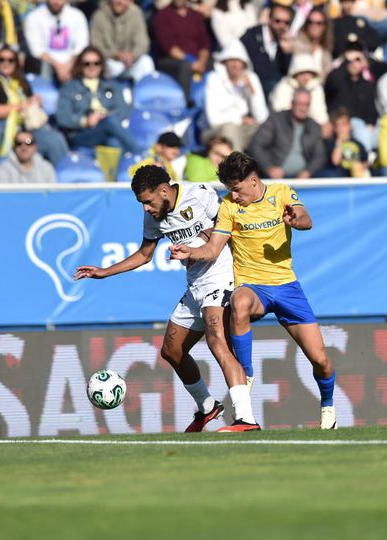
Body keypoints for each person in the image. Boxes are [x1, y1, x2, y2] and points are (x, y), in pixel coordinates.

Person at [75, 165, 260, 432]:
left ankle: (245, 418)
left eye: (148, 202)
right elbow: (144, 254)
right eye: (141, 204)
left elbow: (230, 227)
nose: (146, 209)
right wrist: (105, 272)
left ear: (164, 190)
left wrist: (206, 240)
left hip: (221, 279)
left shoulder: (200, 195)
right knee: (172, 351)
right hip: (195, 286)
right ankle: (208, 408)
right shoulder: (154, 217)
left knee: (216, 340)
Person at [170, 151, 338, 430]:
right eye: (229, 190)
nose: (234, 196)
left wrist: (297, 219)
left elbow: (306, 219)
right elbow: (213, 248)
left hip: (287, 288)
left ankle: (328, 406)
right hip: (253, 287)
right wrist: (191, 251)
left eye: (236, 189)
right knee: (239, 301)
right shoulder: (229, 206)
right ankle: (245, 375)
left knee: (321, 361)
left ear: (253, 181)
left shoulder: (282, 192)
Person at [0, 45, 69, 167]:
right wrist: (20, 107)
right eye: (2, 60)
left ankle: (62, 179)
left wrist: (35, 103)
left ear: (16, 63)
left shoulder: (22, 82)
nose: (6, 63)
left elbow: (28, 106)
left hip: (25, 127)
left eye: (11, 60)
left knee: (54, 139)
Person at [55, 46, 140, 154]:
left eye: (96, 63)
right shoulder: (69, 88)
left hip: (109, 128)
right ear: (80, 66)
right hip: (82, 134)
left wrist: (102, 116)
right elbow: (62, 117)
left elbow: (124, 110)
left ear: (102, 65)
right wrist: (85, 121)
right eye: (87, 64)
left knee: (113, 142)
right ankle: (141, 154)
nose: (92, 67)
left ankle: (118, 169)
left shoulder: (113, 86)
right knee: (109, 124)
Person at [203, 40, 269, 153]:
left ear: (244, 64)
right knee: (231, 128)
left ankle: (265, 168)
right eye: (231, 60)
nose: (235, 65)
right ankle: (236, 169)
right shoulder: (213, 79)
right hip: (216, 131)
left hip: (244, 128)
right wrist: (239, 119)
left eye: (239, 61)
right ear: (224, 62)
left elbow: (262, 118)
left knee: (267, 130)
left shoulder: (251, 78)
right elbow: (213, 119)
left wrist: (252, 92)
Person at [247, 88, 327, 179]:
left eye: (306, 104)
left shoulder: (314, 127)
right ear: (292, 104)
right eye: (300, 104)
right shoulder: (276, 120)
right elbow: (256, 145)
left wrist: (308, 171)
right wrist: (269, 168)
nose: (303, 108)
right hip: (275, 178)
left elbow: (320, 155)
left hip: (303, 179)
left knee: (330, 175)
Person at [324, 42, 386, 152]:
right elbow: (331, 82)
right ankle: (364, 160)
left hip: (362, 123)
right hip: (341, 121)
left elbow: (372, 107)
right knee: (359, 130)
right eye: (351, 61)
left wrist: (371, 123)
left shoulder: (367, 84)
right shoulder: (339, 78)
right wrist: (346, 61)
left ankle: (366, 160)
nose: (354, 63)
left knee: (378, 132)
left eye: (357, 60)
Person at [152, 0, 211, 103]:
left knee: (214, 64)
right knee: (185, 67)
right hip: (171, 60)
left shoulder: (195, 16)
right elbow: (169, 47)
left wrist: (201, 61)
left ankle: (211, 102)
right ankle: (187, 103)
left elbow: (204, 43)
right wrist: (191, 61)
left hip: (196, 59)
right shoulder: (162, 16)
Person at [24, 0, 88, 83]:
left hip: (72, 64)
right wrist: (58, 67)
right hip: (46, 66)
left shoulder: (77, 16)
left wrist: (68, 66)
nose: (56, 2)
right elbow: (37, 50)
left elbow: (82, 46)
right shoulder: (33, 17)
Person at [89, 0, 154, 81]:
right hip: (110, 61)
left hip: (131, 61)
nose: (119, 2)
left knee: (146, 61)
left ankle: (143, 92)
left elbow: (143, 43)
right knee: (104, 65)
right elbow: (96, 45)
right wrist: (115, 55)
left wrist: (132, 55)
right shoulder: (98, 16)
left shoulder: (136, 13)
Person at [240, 3, 293, 97]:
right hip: (254, 86)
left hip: (278, 88)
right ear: (269, 20)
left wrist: (287, 53)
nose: (282, 25)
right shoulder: (252, 36)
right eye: (278, 21)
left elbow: (289, 72)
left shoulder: (287, 41)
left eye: (286, 22)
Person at [271, 53, 329, 137]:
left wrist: (324, 124)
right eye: (302, 73)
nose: (305, 77)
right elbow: (279, 111)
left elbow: (320, 113)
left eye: (308, 73)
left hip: (310, 129)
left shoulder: (316, 88)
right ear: (295, 73)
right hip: (285, 128)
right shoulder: (284, 87)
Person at [318, 107, 368, 178]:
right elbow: (335, 161)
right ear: (335, 129)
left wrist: (361, 167)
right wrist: (339, 142)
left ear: (350, 126)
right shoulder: (332, 144)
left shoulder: (357, 144)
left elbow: (365, 160)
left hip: (356, 176)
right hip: (339, 176)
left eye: (344, 124)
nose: (342, 128)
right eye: (339, 125)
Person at [292, 7, 332, 80]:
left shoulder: (326, 51)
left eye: (319, 23)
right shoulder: (296, 44)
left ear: (325, 26)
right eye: (310, 22)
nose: (314, 26)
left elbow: (327, 75)